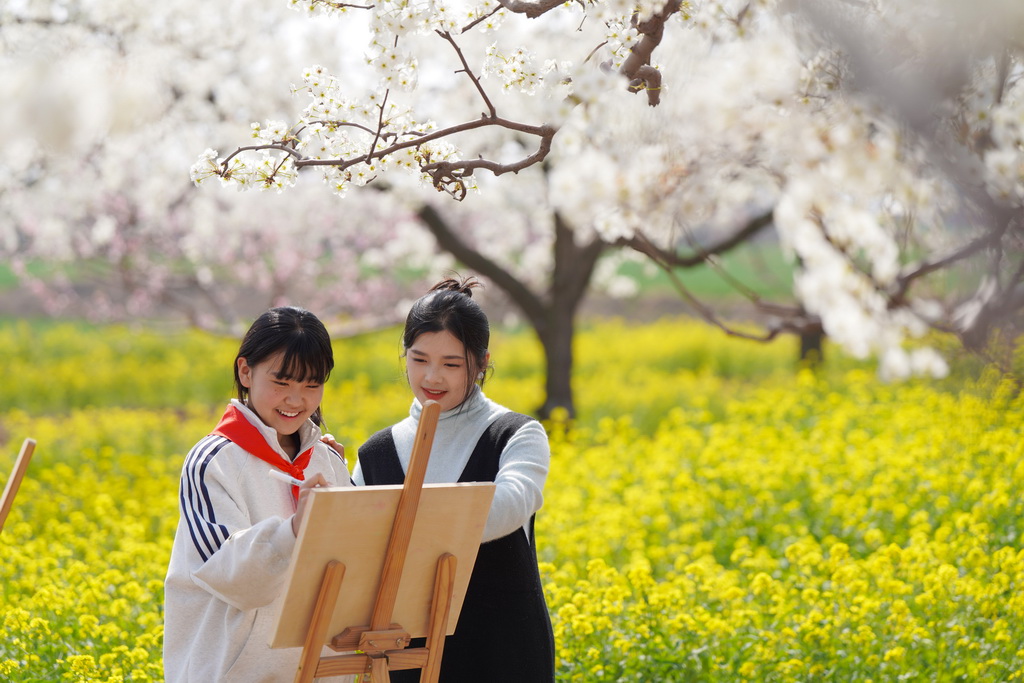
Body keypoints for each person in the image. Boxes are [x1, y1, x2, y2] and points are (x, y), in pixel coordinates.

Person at [353, 276, 556, 682]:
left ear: (482, 363)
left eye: (451, 364)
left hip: (503, 648)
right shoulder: (376, 452)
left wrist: (396, 517)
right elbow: (353, 547)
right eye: (419, 359)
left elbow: (508, 506)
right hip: (405, 650)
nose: (432, 377)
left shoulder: (516, 434)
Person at [163, 306, 354, 683]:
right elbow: (232, 577)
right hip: (234, 672)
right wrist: (296, 528)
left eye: (311, 385)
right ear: (245, 372)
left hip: (320, 671)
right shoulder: (212, 462)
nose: (296, 400)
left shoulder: (328, 459)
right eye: (282, 382)